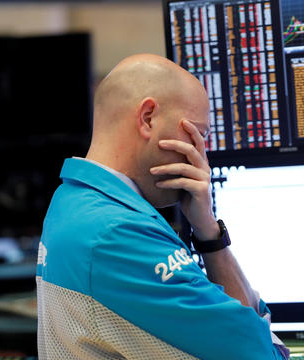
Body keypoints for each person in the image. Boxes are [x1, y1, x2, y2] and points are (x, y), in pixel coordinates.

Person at [36, 54, 289, 360]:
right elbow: (263, 353)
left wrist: (207, 231)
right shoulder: (119, 234)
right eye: (197, 134)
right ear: (148, 119)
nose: (202, 157)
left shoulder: (71, 201)